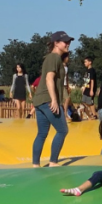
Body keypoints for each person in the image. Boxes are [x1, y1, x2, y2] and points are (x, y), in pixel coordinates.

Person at [31, 32, 73, 167]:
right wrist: (54, 100)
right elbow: (49, 78)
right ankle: (53, 162)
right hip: (48, 99)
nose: (68, 44)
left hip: (40, 100)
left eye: (68, 42)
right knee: (62, 130)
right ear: (56, 43)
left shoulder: (53, 58)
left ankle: (35, 164)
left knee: (42, 133)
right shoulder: (54, 57)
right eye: (65, 42)